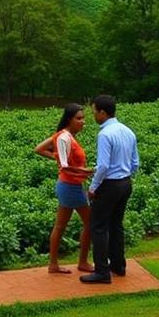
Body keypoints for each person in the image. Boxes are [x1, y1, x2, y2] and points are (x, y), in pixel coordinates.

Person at [80, 93, 139, 284]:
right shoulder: (128, 131)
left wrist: (93, 187)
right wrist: (125, 176)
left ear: (103, 112)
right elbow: (135, 162)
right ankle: (118, 265)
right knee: (116, 225)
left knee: (98, 227)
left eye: (94, 112)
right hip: (125, 182)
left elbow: (103, 166)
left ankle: (102, 272)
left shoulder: (105, 134)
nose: (93, 116)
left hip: (109, 185)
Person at [34, 103, 94, 274]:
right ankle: (82, 262)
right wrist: (85, 171)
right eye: (79, 118)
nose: (83, 122)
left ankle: (54, 264)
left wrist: (57, 157)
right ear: (69, 119)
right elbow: (64, 166)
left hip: (70, 185)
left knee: (60, 226)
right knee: (90, 223)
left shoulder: (64, 136)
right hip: (71, 186)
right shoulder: (64, 137)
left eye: (83, 118)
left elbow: (40, 149)